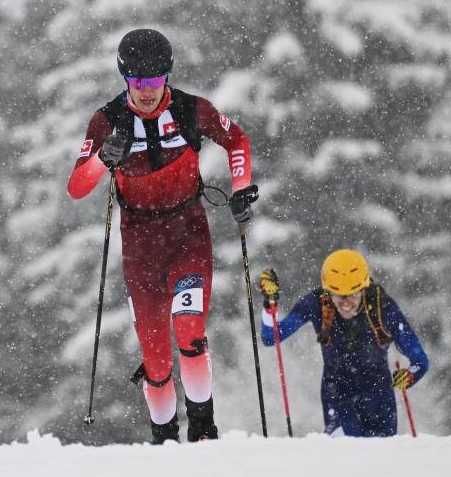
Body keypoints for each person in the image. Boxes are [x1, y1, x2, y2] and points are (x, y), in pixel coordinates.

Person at [67, 29, 257, 444]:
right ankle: (163, 442)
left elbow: (236, 139)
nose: (148, 91)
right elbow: (77, 187)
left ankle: (204, 430)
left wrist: (242, 187)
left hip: (188, 234)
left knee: (189, 327)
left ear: (167, 76)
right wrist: (103, 160)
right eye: (138, 82)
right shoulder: (107, 121)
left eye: (155, 81)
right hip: (140, 246)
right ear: (125, 80)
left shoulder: (192, 110)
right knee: (155, 360)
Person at [258, 250, 429, 437]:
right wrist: (270, 303)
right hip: (337, 395)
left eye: (353, 295)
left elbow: (420, 361)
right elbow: (270, 336)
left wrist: (410, 376)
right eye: (338, 296)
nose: (346, 303)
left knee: (381, 462)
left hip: (379, 399)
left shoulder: (383, 308)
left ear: (364, 289)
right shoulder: (317, 303)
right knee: (345, 454)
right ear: (327, 291)